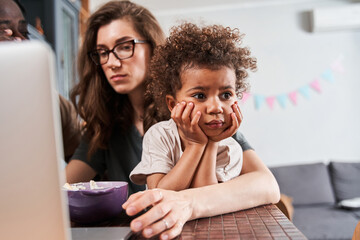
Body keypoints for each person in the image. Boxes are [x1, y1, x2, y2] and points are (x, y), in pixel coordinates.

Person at [65, 1, 279, 239]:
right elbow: (60, 189)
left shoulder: (200, 115)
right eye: (103, 52)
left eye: (125, 47)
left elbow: (267, 185)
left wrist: (187, 202)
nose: (112, 62)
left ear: (153, 47)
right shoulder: (104, 128)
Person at [130, 23, 253, 191]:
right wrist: (196, 145)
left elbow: (207, 199)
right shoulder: (160, 135)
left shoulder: (230, 149)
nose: (216, 108)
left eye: (226, 95)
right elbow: (158, 196)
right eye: (200, 96)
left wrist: (210, 145)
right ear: (173, 104)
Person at [0, 0, 81, 162]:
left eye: (24, 32)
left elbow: (84, 161)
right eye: (4, 31)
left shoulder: (53, 103)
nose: (20, 40)